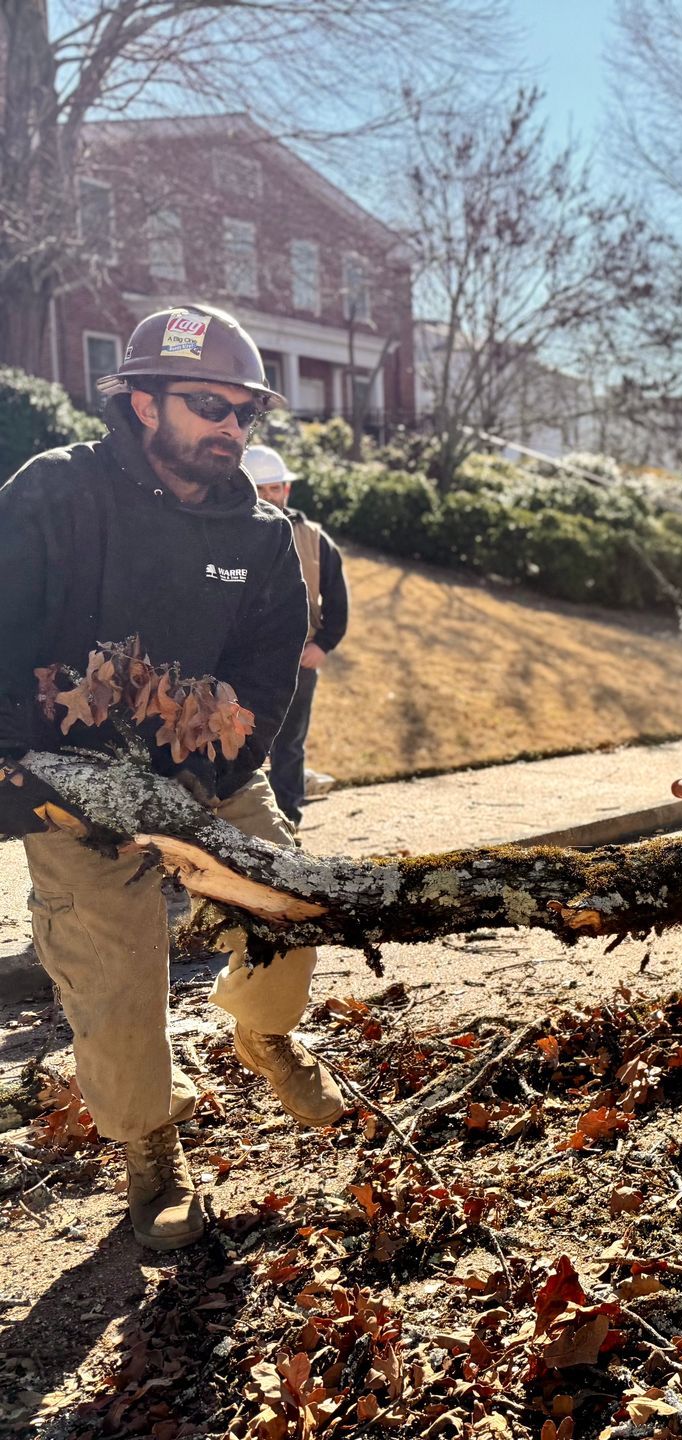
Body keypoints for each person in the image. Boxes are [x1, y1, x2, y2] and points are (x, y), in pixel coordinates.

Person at [0, 304, 346, 1253]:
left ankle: (263, 1032)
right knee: (111, 970)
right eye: (210, 406)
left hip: (207, 776)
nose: (232, 429)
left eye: (247, 414)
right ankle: (150, 1151)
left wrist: (212, 781)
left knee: (291, 893)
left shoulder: (266, 538)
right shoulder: (55, 495)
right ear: (144, 404)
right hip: (68, 777)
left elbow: (269, 677)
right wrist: (26, 774)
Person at [245, 445, 350, 828]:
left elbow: (338, 600)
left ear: (286, 491)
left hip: (299, 662)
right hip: (246, 664)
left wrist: (323, 644)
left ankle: (288, 819)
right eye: (262, 489)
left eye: (276, 489)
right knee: (241, 743)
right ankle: (247, 821)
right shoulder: (229, 534)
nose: (270, 497)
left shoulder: (314, 540)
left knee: (289, 744)